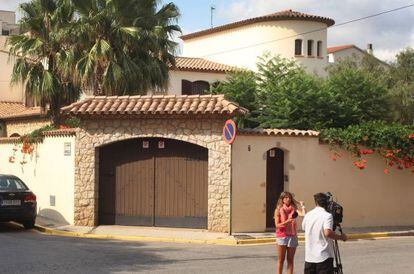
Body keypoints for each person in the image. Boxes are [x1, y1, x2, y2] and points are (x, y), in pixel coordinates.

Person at [302, 193, 348, 274]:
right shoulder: (327, 216)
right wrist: (341, 237)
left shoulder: (308, 214)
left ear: (316, 202)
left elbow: (304, 228)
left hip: (309, 257)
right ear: (327, 203)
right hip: (324, 257)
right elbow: (328, 233)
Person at [274, 191, 306, 274]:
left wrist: (302, 205)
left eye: (289, 198)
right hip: (282, 236)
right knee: (281, 260)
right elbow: (277, 225)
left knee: (290, 260)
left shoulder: (294, 209)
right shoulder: (278, 209)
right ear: (282, 199)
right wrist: (287, 222)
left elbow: (303, 214)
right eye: (286, 197)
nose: (288, 199)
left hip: (292, 236)